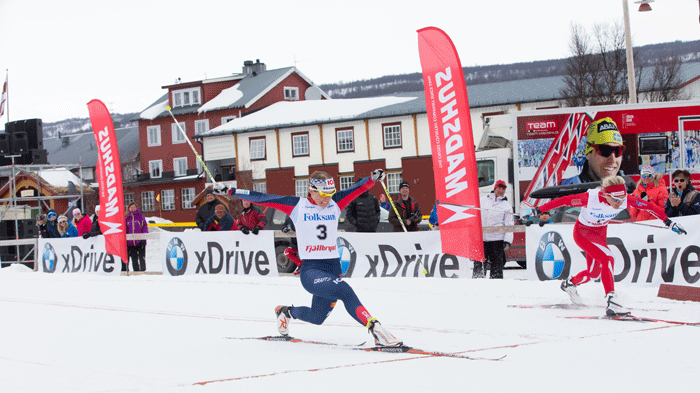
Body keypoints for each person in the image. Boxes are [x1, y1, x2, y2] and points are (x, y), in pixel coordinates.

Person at [214, 169, 402, 346]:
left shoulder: (335, 202)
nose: (326, 199)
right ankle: (375, 328)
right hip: (311, 270)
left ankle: (285, 312)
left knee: (316, 317)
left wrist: (371, 179)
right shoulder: (297, 205)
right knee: (344, 290)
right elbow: (264, 198)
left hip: (332, 268)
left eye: (330, 194)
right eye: (322, 194)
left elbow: (357, 188)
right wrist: (231, 190)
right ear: (311, 191)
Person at [535, 175, 686, 316]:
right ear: (606, 194)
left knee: (593, 273)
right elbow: (564, 200)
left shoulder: (626, 199)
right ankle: (612, 300)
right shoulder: (591, 198)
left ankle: (569, 284)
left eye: (622, 199)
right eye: (615, 200)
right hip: (583, 233)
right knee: (608, 258)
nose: (619, 203)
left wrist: (669, 222)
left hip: (599, 235)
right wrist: (540, 210)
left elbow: (650, 207)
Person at [562, 117, 627, 185]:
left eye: (618, 151)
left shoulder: (630, 190)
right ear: (588, 154)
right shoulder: (568, 190)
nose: (612, 159)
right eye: (605, 151)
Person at [475, 180, 514, 279]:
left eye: (503, 189)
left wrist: (508, 240)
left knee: (497, 265)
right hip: (482, 239)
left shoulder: (507, 206)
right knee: (479, 263)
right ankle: (477, 280)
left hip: (497, 240)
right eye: (499, 188)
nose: (501, 191)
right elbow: (475, 216)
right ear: (495, 188)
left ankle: (496, 282)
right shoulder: (482, 200)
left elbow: (509, 224)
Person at [125, 202, 148, 272]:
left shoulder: (140, 216)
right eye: (131, 207)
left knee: (142, 257)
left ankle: (143, 270)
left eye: (134, 207)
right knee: (134, 258)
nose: (133, 208)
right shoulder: (126, 218)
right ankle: (136, 271)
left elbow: (144, 227)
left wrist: (144, 238)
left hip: (140, 241)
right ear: (128, 208)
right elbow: (125, 229)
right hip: (130, 242)